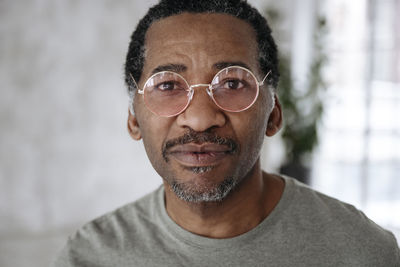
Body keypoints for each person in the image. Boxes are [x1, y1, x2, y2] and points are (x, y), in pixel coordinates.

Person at [52, 0, 400, 266]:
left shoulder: (362, 253)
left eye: (232, 83)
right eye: (169, 84)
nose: (200, 119)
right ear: (133, 120)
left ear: (273, 115)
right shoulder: (89, 257)